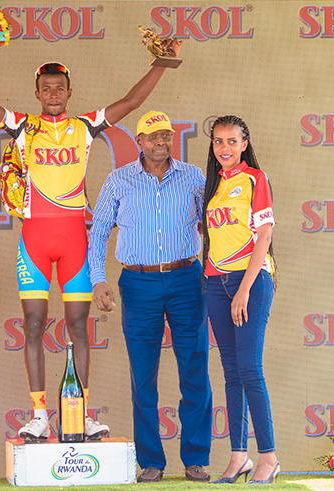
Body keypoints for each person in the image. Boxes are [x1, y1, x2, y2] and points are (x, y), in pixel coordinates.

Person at [0, 45, 181, 440]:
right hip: (35, 239)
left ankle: (80, 415)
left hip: (74, 239)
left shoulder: (85, 126)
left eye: (59, 88)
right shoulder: (23, 126)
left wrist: (162, 63)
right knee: (34, 324)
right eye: (46, 88)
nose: (53, 94)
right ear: (37, 93)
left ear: (69, 92)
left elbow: (131, 102)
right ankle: (39, 416)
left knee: (78, 326)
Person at [87, 111, 212, 483]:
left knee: (195, 369)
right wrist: (98, 280)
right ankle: (151, 461)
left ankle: (195, 459)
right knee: (143, 376)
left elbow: (215, 224)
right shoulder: (118, 180)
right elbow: (99, 233)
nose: (160, 142)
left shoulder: (194, 177)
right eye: (153, 136)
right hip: (138, 283)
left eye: (166, 136)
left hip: (187, 278)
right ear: (139, 141)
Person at [202, 115, 279, 484]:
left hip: (250, 281)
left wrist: (245, 289)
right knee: (231, 372)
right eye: (218, 141)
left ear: (244, 144)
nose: (225, 148)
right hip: (215, 282)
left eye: (232, 141)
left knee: (249, 369)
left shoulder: (255, 179)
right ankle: (238, 456)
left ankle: (268, 457)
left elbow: (263, 236)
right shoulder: (214, 185)